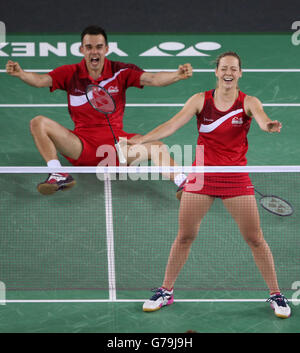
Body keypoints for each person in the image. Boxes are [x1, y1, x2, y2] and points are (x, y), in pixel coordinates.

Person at [127, 51, 291, 319]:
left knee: (255, 238)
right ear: (217, 72)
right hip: (202, 176)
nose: (228, 72)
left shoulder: (248, 102)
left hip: (235, 177)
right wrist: (142, 140)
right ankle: (165, 291)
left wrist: (268, 124)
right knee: (185, 236)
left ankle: (275, 294)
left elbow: (261, 117)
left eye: (233, 68)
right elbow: (172, 125)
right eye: (224, 67)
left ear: (240, 73)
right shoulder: (200, 100)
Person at [6, 25, 191, 195]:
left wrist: (177, 75)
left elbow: (153, 79)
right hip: (81, 145)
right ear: (82, 50)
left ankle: (184, 184)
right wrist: (21, 74)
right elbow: (40, 81)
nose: (94, 51)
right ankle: (57, 173)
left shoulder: (121, 71)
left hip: (116, 148)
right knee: (38, 122)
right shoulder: (70, 73)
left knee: (158, 147)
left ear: (106, 49)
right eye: (89, 47)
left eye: (99, 47)